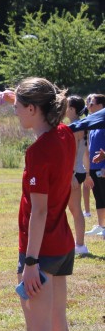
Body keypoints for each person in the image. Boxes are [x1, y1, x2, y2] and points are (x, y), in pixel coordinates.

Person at [0, 78, 82, 331]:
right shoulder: (64, 134)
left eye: (19, 107)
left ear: (34, 109)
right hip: (61, 244)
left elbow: (39, 211)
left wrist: (30, 262)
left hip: (42, 251)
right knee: (58, 326)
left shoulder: (38, 151)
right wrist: (14, 96)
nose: (15, 112)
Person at [65, 96, 89, 255]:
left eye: (66, 106)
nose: (64, 109)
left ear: (72, 109)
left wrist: (71, 175)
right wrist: (87, 173)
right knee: (75, 210)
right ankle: (78, 244)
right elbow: (86, 153)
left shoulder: (74, 127)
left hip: (73, 173)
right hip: (78, 171)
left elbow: (71, 154)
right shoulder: (84, 125)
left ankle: (79, 245)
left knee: (75, 210)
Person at [83, 94, 105, 238]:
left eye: (92, 103)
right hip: (94, 167)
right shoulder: (95, 124)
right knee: (99, 197)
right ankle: (101, 226)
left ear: (101, 105)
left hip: (102, 167)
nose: (89, 105)